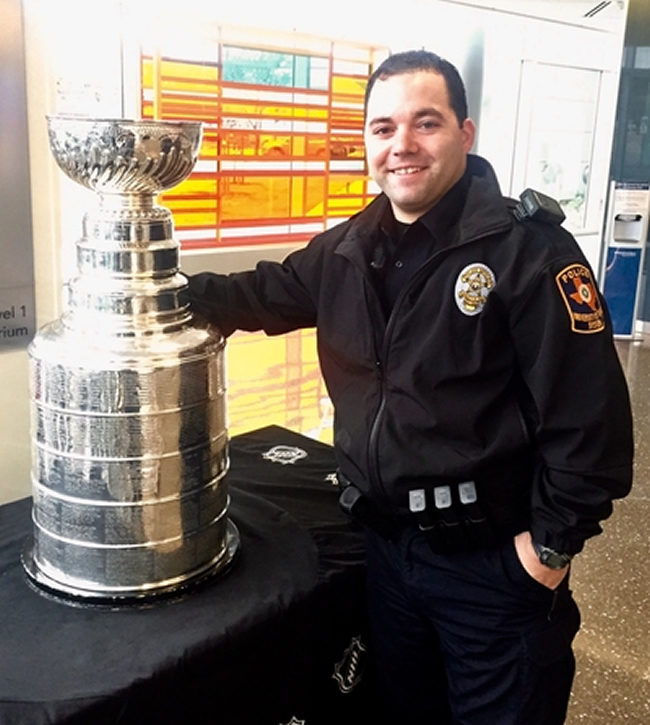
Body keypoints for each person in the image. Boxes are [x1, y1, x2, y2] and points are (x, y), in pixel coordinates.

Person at [181, 50, 634, 724]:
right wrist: (161, 290)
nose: (403, 146)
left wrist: (546, 551)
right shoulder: (345, 251)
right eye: (383, 128)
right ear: (366, 140)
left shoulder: (528, 253)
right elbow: (261, 293)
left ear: (465, 134)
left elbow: (590, 424)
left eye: (426, 123)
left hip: (494, 567)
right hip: (388, 556)